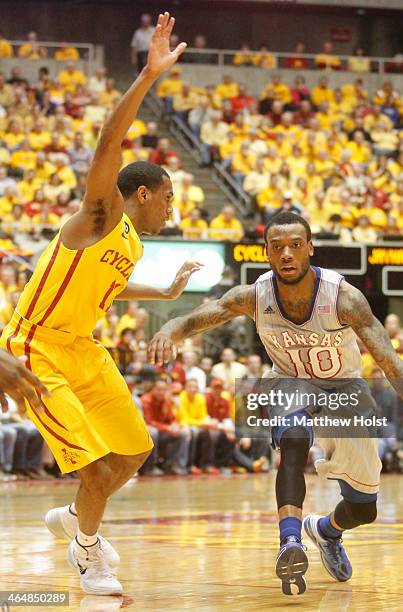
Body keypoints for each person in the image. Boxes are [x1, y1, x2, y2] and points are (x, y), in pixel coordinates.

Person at [149, 211, 403, 596]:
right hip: (290, 381)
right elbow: (203, 316)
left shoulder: (344, 298)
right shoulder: (255, 295)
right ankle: (290, 541)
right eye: (277, 247)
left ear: (310, 249)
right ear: (266, 252)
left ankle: (326, 531)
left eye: (295, 245)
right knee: (293, 442)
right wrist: (168, 328)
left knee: (364, 508)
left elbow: (390, 362)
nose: (286, 254)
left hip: (344, 390)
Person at [0, 13, 200, 597]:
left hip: (84, 350)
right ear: (141, 193)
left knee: (135, 451)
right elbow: (108, 142)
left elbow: (105, 289)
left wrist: (160, 292)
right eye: (167, 197)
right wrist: (147, 77)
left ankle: (74, 519)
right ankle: (86, 551)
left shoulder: (131, 243)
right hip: (36, 347)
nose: (171, 207)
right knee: (93, 469)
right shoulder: (103, 215)